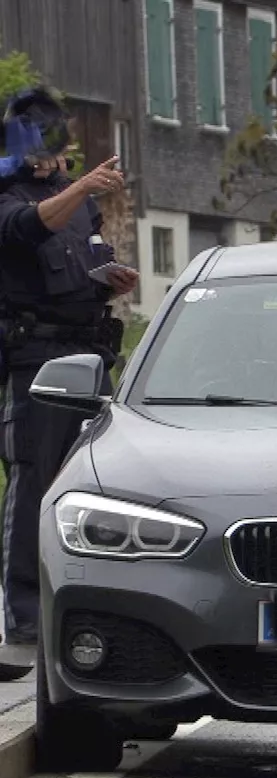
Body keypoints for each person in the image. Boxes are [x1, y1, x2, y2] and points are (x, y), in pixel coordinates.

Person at [0, 88, 137, 680]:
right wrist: (80, 187)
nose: (57, 157)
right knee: (34, 480)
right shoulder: (8, 192)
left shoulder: (81, 204)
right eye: (46, 143)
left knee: (93, 486)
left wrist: (112, 280)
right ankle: (24, 612)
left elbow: (86, 251)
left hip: (90, 352)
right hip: (37, 362)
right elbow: (30, 227)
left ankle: (88, 602)